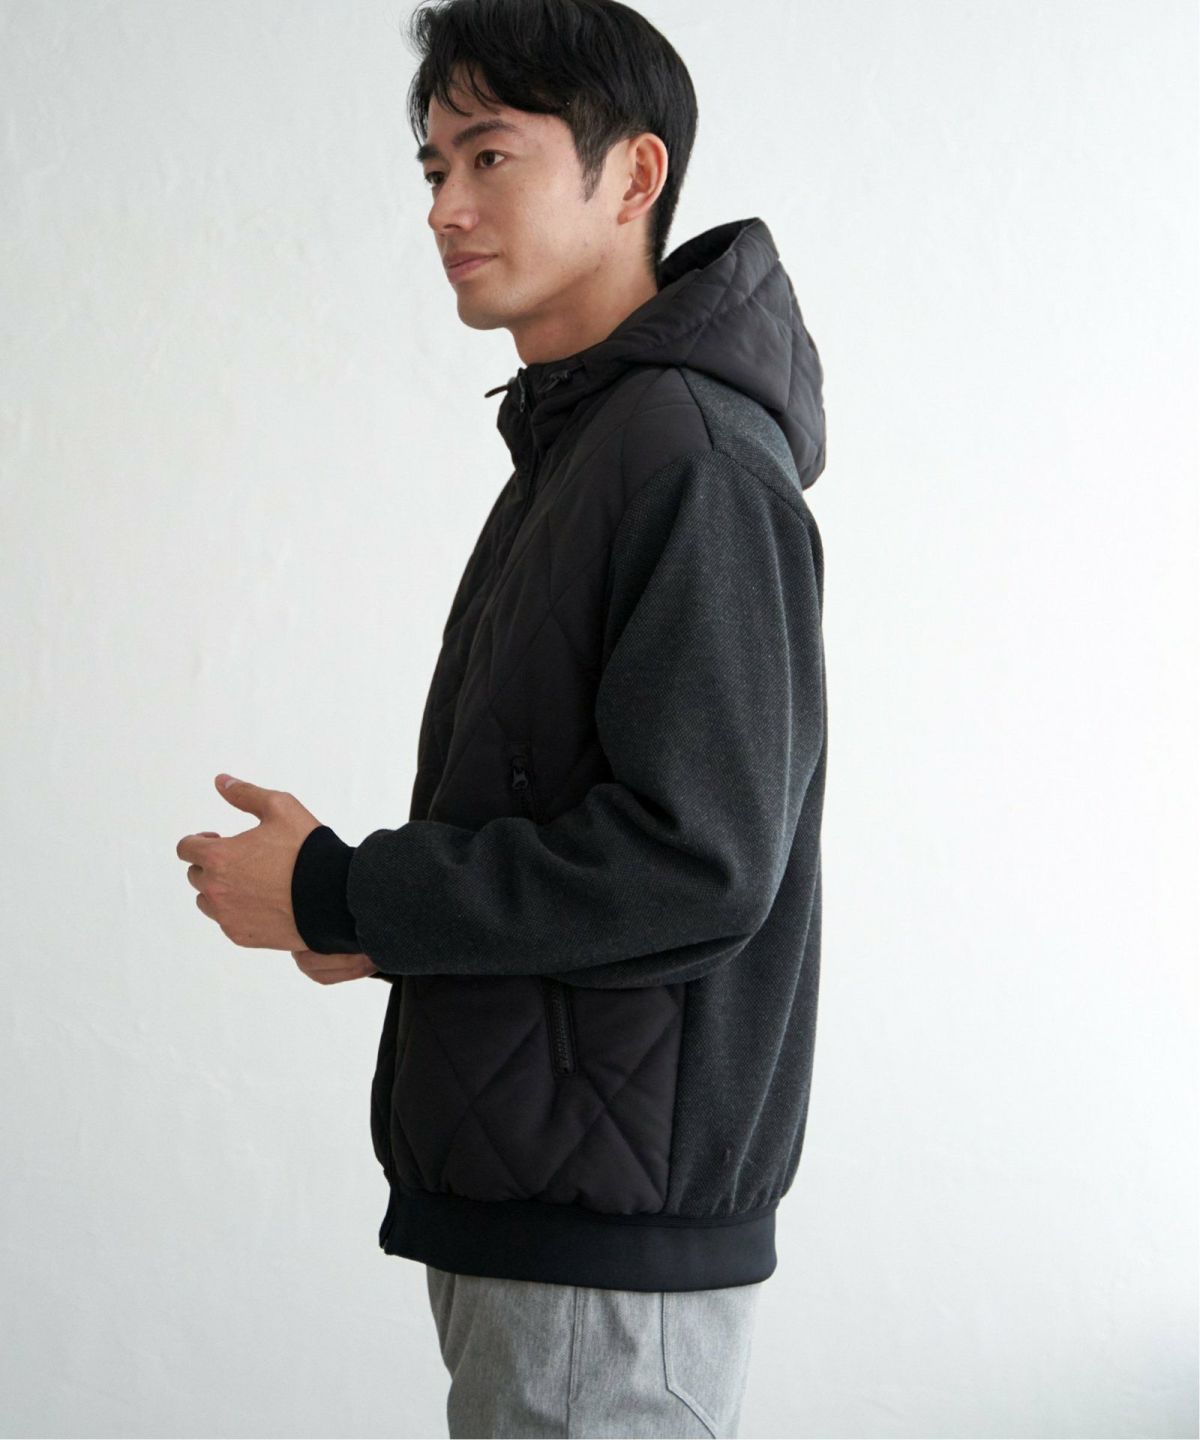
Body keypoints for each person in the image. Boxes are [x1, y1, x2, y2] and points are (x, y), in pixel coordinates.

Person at [288, 1, 829, 1434]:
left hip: (602, 1251)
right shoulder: (589, 447)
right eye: (432, 169)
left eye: (488, 157)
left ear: (634, 175)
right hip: (552, 1209)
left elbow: (696, 862)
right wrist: (367, 923)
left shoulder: (688, 457)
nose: (444, 209)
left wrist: (348, 891)